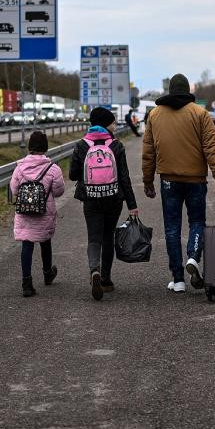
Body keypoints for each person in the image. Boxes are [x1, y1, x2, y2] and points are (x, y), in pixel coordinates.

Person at [142, 73, 215, 292]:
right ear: (188, 90)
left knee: (172, 228)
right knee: (197, 221)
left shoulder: (154, 115)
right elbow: (212, 147)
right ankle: (193, 257)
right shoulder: (200, 113)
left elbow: (148, 151)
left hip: (168, 181)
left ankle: (178, 279)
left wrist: (148, 180)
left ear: (170, 90)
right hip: (196, 181)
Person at [70, 107, 139, 300]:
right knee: (108, 236)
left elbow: (73, 175)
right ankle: (107, 280)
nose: (115, 126)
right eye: (113, 122)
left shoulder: (81, 145)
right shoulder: (116, 146)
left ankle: (94, 271)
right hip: (113, 198)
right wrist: (132, 205)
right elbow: (124, 178)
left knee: (94, 238)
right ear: (106, 124)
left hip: (90, 199)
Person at [9, 130, 66, 297]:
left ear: (29, 147)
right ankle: (48, 273)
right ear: (46, 147)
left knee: (27, 244)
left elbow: (14, 190)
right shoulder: (53, 169)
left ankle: (27, 282)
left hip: (24, 212)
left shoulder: (20, 168)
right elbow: (59, 191)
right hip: (44, 212)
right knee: (45, 241)